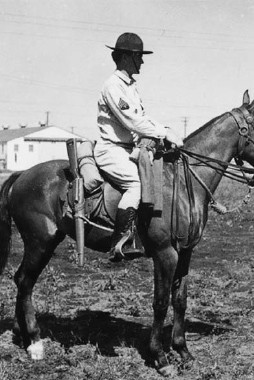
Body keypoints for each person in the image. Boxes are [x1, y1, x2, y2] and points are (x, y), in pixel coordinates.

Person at [94, 32, 183, 260]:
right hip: (111, 150)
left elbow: (142, 117)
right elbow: (131, 121)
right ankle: (120, 242)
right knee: (136, 183)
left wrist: (165, 130)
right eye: (139, 57)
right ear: (126, 57)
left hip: (127, 149)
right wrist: (164, 133)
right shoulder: (113, 86)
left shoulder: (130, 86)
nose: (142, 61)